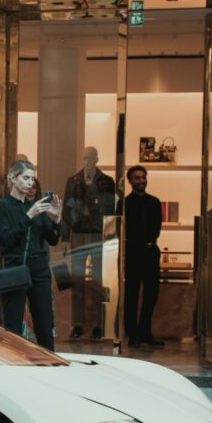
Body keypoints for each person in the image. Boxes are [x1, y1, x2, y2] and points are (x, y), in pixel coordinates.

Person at [0, 160, 60, 350]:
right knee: (13, 325)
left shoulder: (37, 207)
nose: (30, 182)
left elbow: (53, 239)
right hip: (16, 268)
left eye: (32, 178)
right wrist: (28, 216)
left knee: (45, 324)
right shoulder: (3, 206)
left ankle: (50, 366)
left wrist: (56, 218)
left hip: (39, 269)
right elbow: (6, 240)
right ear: (12, 179)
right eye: (25, 178)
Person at [62, 146, 115, 341]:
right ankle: (78, 324)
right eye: (85, 158)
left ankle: (99, 325)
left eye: (92, 158)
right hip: (78, 233)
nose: (88, 162)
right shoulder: (73, 181)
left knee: (98, 280)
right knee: (77, 280)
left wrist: (110, 239)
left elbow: (111, 211)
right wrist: (65, 238)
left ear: (97, 159)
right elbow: (65, 212)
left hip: (97, 234)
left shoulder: (107, 182)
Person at [120, 165, 164, 348]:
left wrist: (149, 242)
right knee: (131, 294)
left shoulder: (154, 202)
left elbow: (157, 227)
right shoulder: (125, 204)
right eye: (137, 178)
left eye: (143, 177)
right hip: (133, 253)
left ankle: (146, 331)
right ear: (130, 181)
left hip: (151, 252)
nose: (141, 181)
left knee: (151, 294)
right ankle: (133, 334)